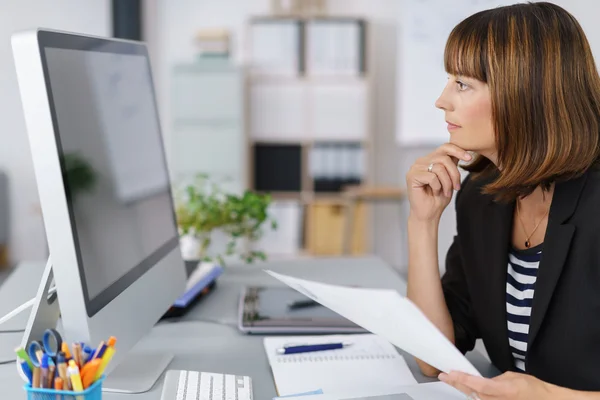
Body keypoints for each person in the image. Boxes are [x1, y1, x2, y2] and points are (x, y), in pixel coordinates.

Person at [406, 2, 600, 399]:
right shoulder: (482, 196)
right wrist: (422, 223)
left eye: (462, 84)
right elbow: (433, 358)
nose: (442, 101)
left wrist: (550, 397)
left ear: (525, 92)